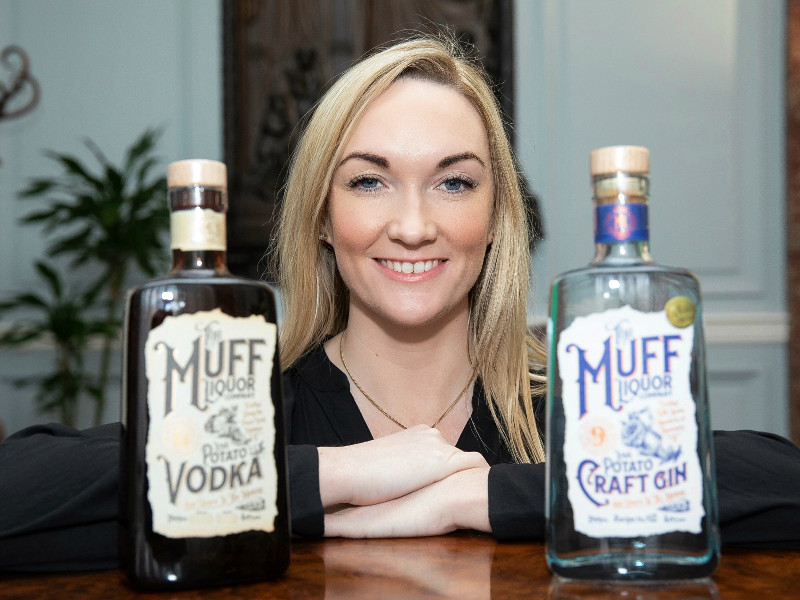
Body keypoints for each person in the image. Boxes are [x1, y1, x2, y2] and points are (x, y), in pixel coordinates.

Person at [1, 34, 800, 572]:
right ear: (322, 213)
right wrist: (336, 476)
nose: (413, 226)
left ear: (496, 220)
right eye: (369, 180)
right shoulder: (252, 416)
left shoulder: (572, 405)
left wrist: (478, 493)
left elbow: (778, 481)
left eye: (454, 182)